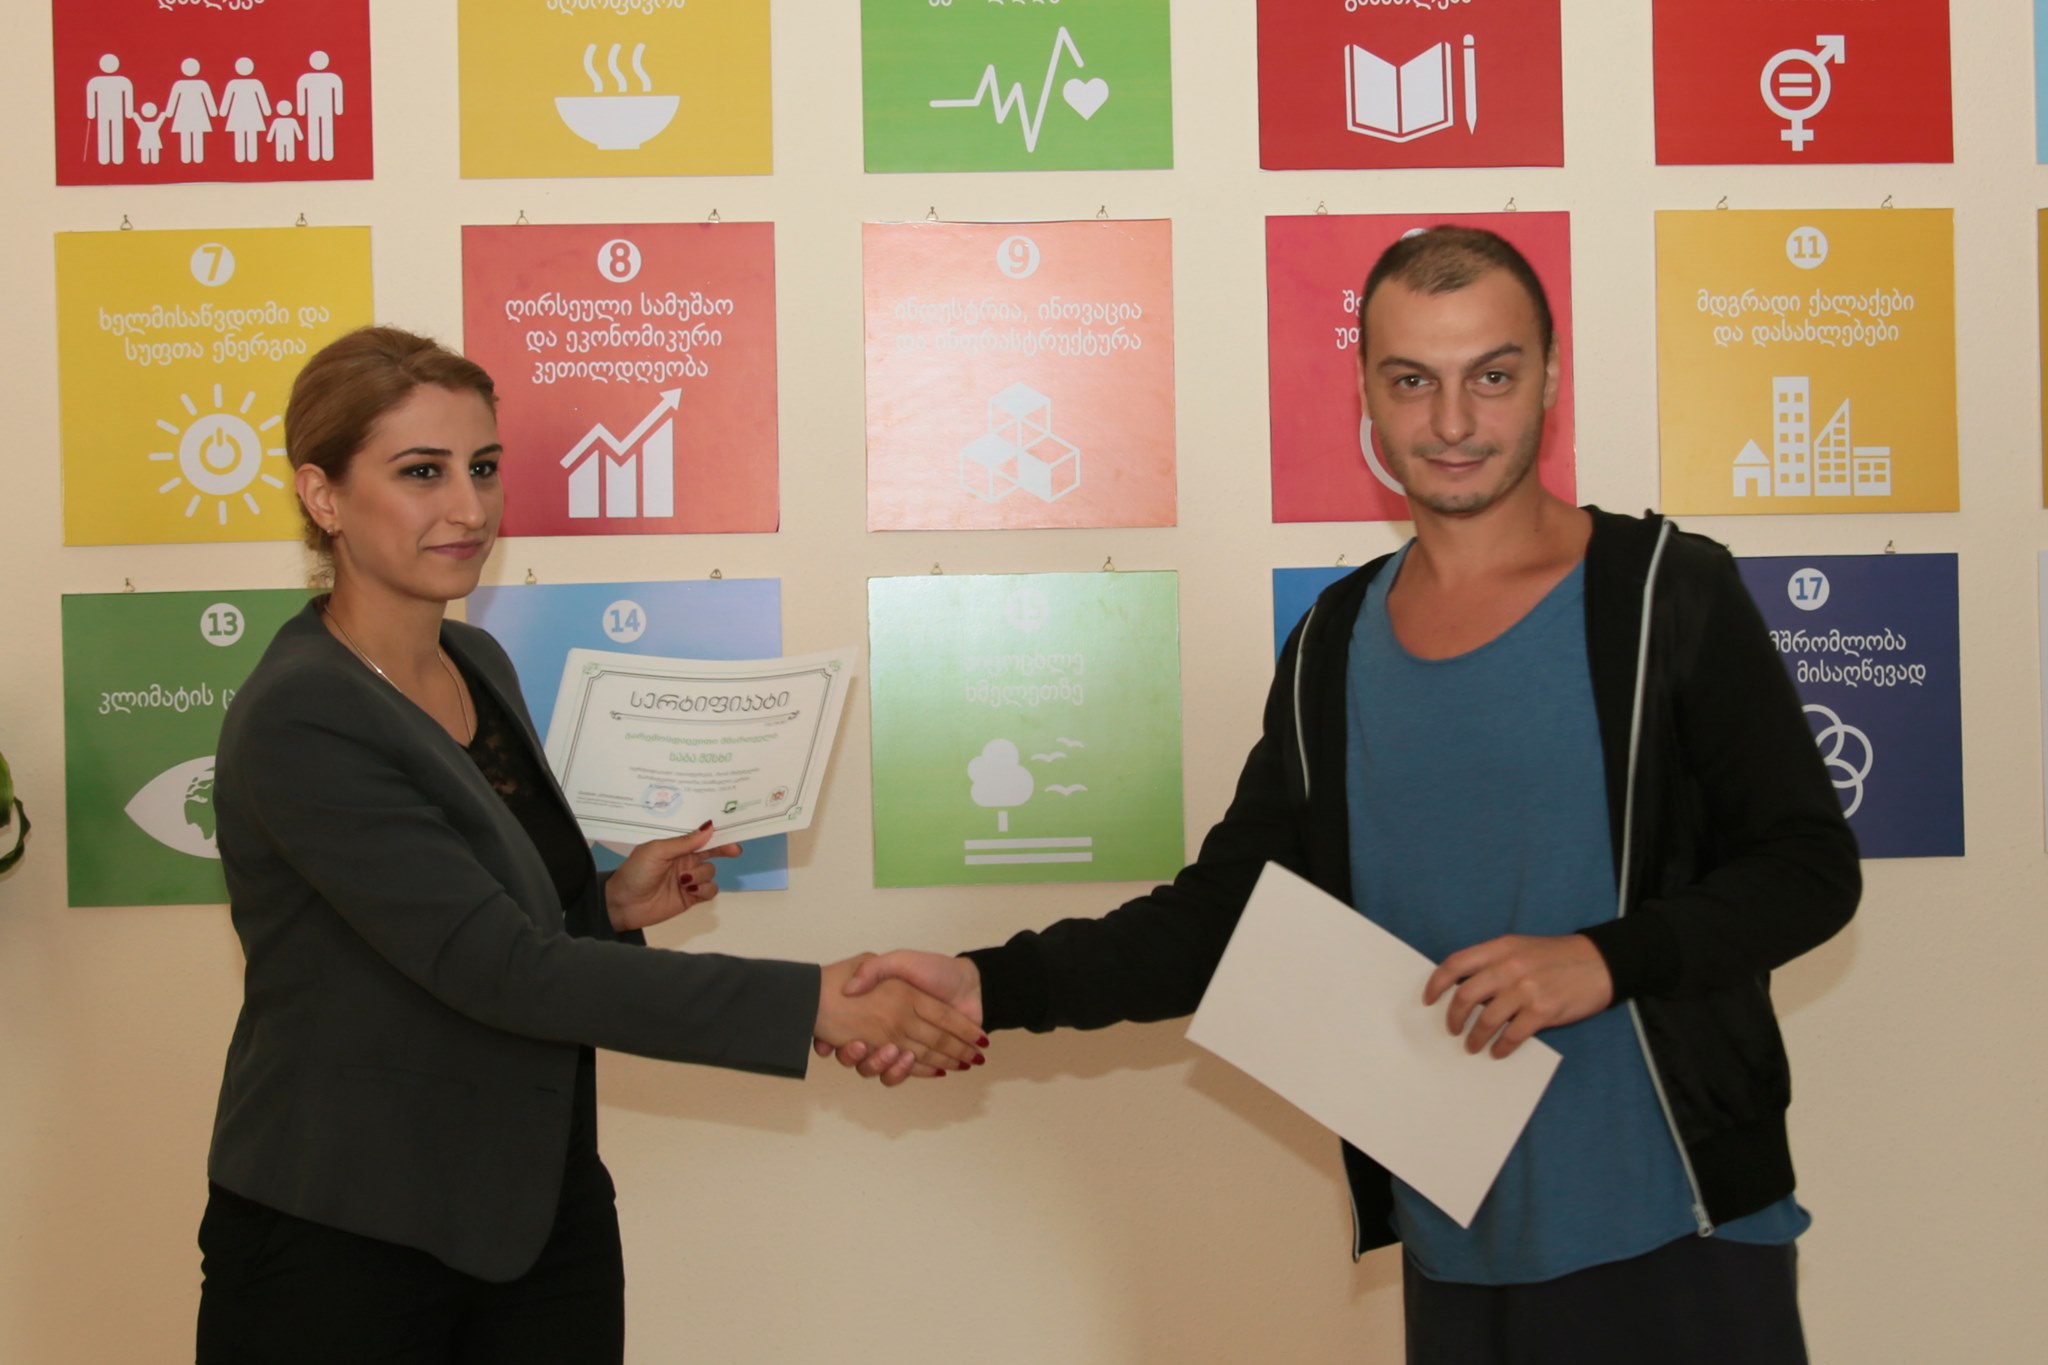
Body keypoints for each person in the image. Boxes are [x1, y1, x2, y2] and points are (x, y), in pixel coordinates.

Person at [827, 227, 1860, 1363]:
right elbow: (1224, 919)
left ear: (1549, 381)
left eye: (1491, 376)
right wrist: (986, 983)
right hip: (1455, 1245)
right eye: (1412, 381)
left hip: (1679, 1231)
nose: (1453, 422)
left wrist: (1604, 959)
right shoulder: (1333, 641)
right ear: (1365, 390)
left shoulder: (1668, 592)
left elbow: (1808, 869)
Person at [197, 326, 986, 1364]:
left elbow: (487, 922)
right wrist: (814, 1003)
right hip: (348, 1230)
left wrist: (608, 903)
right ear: (323, 496)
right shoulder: (303, 713)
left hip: (536, 1210)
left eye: (484, 468)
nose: (470, 508)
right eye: (422, 472)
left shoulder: (475, 660)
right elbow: (499, 969)